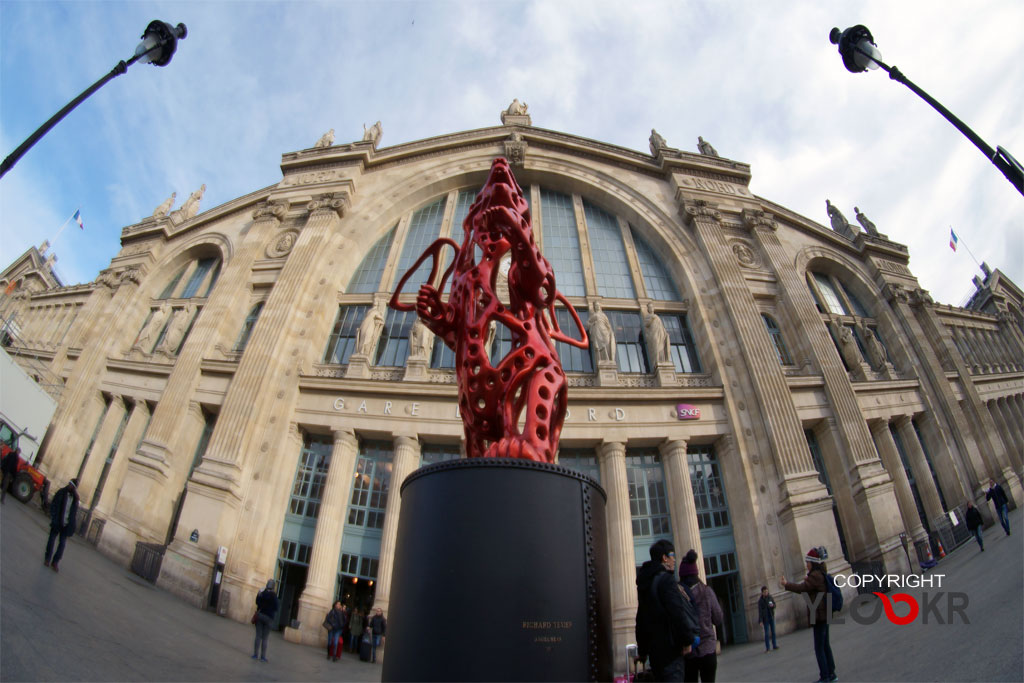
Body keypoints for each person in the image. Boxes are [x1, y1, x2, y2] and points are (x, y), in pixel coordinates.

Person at [635, 539, 697, 682]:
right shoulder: (666, 580)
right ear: (664, 557)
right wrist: (687, 640)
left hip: (655, 655)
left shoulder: (646, 582)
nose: (674, 559)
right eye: (672, 555)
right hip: (671, 652)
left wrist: (643, 651)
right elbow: (677, 613)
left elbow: (641, 619)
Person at [780, 547, 837, 683]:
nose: (806, 565)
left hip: (819, 615)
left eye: (807, 562)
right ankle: (831, 673)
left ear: (812, 562)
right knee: (825, 645)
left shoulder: (815, 576)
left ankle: (825, 676)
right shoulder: (819, 574)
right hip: (824, 613)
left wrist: (786, 584)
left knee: (819, 647)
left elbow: (802, 588)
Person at [678, 550, 724, 682]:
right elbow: (718, 618)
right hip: (707, 649)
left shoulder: (679, 595)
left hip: (689, 651)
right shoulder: (706, 592)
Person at [43, 478, 79, 572]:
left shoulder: (75, 499)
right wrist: (53, 515)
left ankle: (55, 562)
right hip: (57, 521)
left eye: (71, 485)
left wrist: (72, 525)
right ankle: (47, 559)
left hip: (66, 524)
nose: (69, 485)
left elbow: (73, 513)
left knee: (62, 544)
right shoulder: (61, 492)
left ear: (74, 488)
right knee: (51, 540)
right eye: (69, 483)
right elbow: (54, 503)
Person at [252, 579, 278, 663]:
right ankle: (263, 657)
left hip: (260, 615)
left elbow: (257, 602)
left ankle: (255, 654)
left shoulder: (262, 593)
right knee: (265, 638)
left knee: (258, 636)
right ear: (273, 586)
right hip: (269, 618)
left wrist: (259, 594)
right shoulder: (274, 596)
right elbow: (276, 607)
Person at [757, 586, 778, 652]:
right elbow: (760, 611)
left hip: (771, 616)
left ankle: (774, 645)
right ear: (762, 593)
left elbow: (774, 605)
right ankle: (768, 648)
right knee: (766, 633)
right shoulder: (760, 601)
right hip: (765, 618)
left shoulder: (770, 597)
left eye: (767, 591)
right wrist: (760, 620)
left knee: (773, 632)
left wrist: (773, 606)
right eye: (765, 592)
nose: (766, 593)